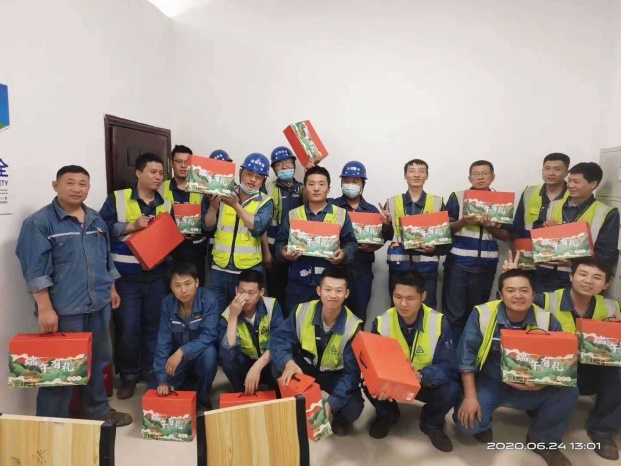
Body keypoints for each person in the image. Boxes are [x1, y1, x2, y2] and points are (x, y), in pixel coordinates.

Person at [16, 165, 132, 425]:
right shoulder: (39, 223)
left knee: (98, 362)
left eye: (83, 184)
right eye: (70, 183)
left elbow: (105, 257)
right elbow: (35, 271)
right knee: (60, 369)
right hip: (64, 310)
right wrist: (45, 309)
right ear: (55, 185)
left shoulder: (95, 219)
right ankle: (52, 423)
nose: (77, 189)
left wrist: (111, 287)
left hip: (98, 305)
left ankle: (98, 412)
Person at [454, 269, 578, 466]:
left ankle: (543, 441)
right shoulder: (483, 314)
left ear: (533, 294)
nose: (518, 296)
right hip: (491, 381)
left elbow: (560, 364)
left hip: (532, 383)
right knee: (468, 425)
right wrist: (470, 397)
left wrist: (541, 384)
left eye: (524, 290)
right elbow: (465, 358)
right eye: (511, 290)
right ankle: (484, 423)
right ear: (501, 295)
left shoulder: (547, 320)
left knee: (569, 391)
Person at [503, 255, 621, 461]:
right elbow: (510, 311)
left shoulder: (612, 307)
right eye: (582, 274)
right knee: (561, 390)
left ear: (607, 284)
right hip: (551, 369)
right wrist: (514, 278)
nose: (588, 281)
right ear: (571, 276)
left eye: (596, 277)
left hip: (590, 371)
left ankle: (602, 431)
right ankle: (542, 436)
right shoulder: (545, 300)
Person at [100, 153, 173, 400]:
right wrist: (132, 226)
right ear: (138, 173)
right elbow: (100, 228)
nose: (158, 177)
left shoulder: (166, 204)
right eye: (153, 172)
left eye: (161, 173)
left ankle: (150, 371)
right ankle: (129, 376)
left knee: (155, 327)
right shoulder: (118, 199)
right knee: (128, 328)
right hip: (126, 278)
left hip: (157, 277)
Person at [365, 272, 457, 452]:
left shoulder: (439, 322)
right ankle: (388, 415)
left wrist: (421, 376)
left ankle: (432, 423)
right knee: (367, 381)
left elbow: (448, 365)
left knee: (451, 388)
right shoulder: (381, 322)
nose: (403, 304)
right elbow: (374, 363)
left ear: (423, 296)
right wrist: (380, 380)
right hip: (393, 383)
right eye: (398, 297)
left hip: (424, 381)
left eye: (410, 298)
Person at [271, 268, 364, 436]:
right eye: (328, 289)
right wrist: (288, 362)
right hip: (306, 365)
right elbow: (280, 339)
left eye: (339, 291)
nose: (333, 295)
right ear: (319, 290)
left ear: (347, 294)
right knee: (279, 367)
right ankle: (294, 405)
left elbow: (352, 375)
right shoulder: (302, 310)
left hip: (334, 373)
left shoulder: (353, 326)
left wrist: (331, 404)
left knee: (354, 407)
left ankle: (337, 420)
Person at [274, 165, 359, 316]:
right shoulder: (293, 214)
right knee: (295, 324)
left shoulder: (341, 214)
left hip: (330, 285)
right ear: (305, 188)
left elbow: (351, 243)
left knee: (327, 324)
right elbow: (279, 243)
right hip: (298, 283)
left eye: (321, 184)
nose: (316, 188)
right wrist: (283, 252)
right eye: (311, 184)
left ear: (328, 189)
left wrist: (344, 254)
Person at [442, 160, 511, 342]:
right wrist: (463, 221)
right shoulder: (457, 197)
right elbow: (444, 229)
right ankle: (452, 355)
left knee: (478, 315)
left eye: (485, 173)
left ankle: (471, 355)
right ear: (469, 178)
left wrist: (490, 226)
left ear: (493, 176)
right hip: (458, 265)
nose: (480, 177)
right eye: (476, 174)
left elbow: (506, 235)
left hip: (486, 266)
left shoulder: (501, 201)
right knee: (454, 316)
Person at [202, 153, 274, 313]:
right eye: (249, 174)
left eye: (259, 177)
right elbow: (207, 228)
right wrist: (213, 208)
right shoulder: (223, 192)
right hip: (219, 267)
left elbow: (257, 228)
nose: (253, 180)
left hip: (248, 270)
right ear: (241, 173)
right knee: (212, 314)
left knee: (246, 317)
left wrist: (236, 205)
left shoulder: (266, 202)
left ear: (263, 181)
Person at [538, 162, 619, 292]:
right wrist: (543, 228)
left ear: (593, 184)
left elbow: (605, 254)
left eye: (576, 182)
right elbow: (537, 238)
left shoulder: (606, 213)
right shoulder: (553, 205)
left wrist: (573, 263)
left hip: (579, 279)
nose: (570, 185)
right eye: (569, 180)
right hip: (544, 274)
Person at [380, 159, 449, 309]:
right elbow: (386, 237)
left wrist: (434, 250)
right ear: (405, 175)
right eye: (412, 171)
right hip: (399, 269)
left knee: (427, 312)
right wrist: (386, 225)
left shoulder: (437, 203)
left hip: (427, 270)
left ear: (427, 176)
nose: (416, 175)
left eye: (421, 171)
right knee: (398, 311)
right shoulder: (392, 202)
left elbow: (446, 242)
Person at [151, 262, 219, 410]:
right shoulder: (167, 303)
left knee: (210, 354)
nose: (183, 290)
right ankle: (188, 385)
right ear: (171, 287)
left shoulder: (208, 299)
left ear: (197, 282)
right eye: (177, 285)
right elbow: (163, 341)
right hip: (178, 360)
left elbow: (210, 335)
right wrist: (162, 379)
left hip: (198, 355)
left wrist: (182, 351)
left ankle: (202, 400)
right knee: (155, 392)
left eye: (188, 284)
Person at [330, 161, 390, 323]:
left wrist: (386, 226)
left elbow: (382, 239)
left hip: (362, 271)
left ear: (363, 184)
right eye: (346, 181)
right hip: (335, 270)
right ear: (341, 182)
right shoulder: (332, 206)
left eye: (355, 181)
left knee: (358, 317)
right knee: (331, 315)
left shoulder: (372, 211)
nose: (350, 185)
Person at [218, 269, 284, 393]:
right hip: (245, 361)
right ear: (236, 290)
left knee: (281, 357)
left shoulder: (272, 305)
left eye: (251, 293)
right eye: (242, 292)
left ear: (261, 292)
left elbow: (279, 340)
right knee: (227, 361)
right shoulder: (228, 314)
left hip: (268, 359)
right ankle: (240, 393)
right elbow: (229, 352)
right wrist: (233, 316)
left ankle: (277, 394)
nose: (246, 298)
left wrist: (257, 367)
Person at [512, 153, 571, 292]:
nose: (551, 173)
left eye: (557, 169)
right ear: (542, 170)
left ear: (567, 172)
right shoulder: (529, 192)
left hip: (559, 268)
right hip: (528, 263)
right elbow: (517, 228)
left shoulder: (574, 194)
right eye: (547, 168)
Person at [262, 146, 304, 310]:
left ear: (294, 164)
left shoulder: (303, 188)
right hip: (274, 251)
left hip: (299, 249)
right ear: (274, 169)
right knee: (276, 294)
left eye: (288, 162)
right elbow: (262, 223)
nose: (285, 167)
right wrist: (266, 252)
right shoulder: (267, 188)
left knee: (296, 294)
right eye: (279, 164)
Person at [160, 145, 207, 285]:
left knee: (194, 292)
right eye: (178, 161)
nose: (183, 165)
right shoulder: (160, 188)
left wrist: (198, 233)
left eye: (187, 162)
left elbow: (210, 220)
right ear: (171, 163)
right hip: (167, 254)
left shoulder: (202, 188)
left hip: (195, 253)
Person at [205, 149, 234, 272]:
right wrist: (213, 207)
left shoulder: (237, 191)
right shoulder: (206, 193)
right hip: (214, 251)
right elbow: (206, 227)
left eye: (225, 166)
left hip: (237, 253)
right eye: (217, 168)